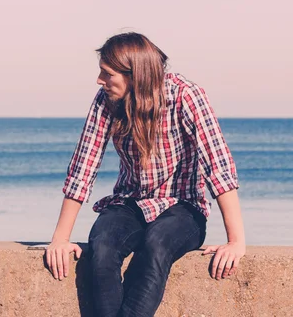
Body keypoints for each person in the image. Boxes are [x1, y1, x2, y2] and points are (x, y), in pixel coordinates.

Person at [45, 32, 245, 317]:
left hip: (184, 207)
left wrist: (236, 241)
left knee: (155, 246)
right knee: (101, 249)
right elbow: (83, 166)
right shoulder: (106, 100)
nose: (100, 81)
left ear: (134, 74)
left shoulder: (186, 95)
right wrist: (60, 239)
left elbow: (219, 165)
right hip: (130, 202)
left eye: (107, 74)